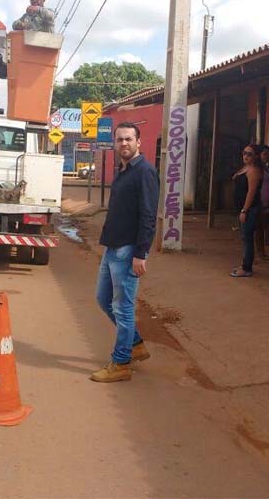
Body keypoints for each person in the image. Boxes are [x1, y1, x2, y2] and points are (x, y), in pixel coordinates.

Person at [91, 122, 159, 383]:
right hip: (112, 247)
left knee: (123, 308)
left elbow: (149, 216)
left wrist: (141, 253)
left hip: (129, 250)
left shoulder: (145, 172)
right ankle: (137, 344)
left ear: (139, 142)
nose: (124, 144)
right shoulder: (123, 170)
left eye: (129, 139)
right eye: (119, 140)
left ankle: (120, 363)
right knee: (103, 299)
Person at [231, 144, 264, 277]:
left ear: (255, 156)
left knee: (247, 238)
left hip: (250, 209)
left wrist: (245, 210)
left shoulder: (254, 171)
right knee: (244, 237)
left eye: (249, 154)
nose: (245, 156)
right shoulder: (246, 168)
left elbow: (251, 192)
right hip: (243, 208)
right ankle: (245, 263)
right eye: (244, 153)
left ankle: (247, 267)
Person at [255, 145, 269, 261]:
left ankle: (261, 252)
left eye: (268, 154)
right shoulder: (257, 169)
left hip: (268, 202)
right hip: (260, 202)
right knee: (258, 228)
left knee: (263, 228)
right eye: (264, 154)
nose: (267, 157)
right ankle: (259, 253)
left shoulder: (267, 169)